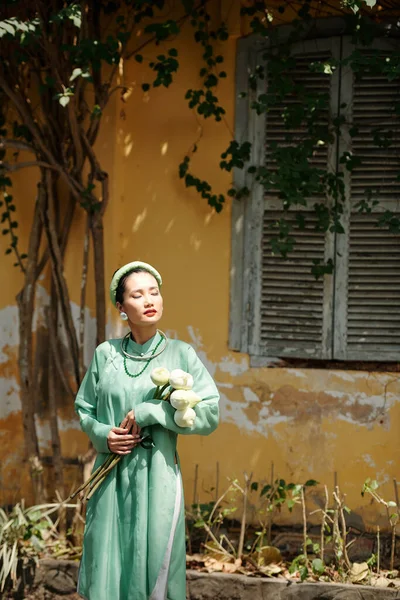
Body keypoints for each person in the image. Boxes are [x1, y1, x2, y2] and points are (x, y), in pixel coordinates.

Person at [75, 261, 219, 600]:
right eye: (137, 295)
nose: (149, 300)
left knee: (153, 561)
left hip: (158, 475)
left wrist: (153, 411)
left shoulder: (181, 355)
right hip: (109, 477)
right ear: (122, 308)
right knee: (107, 562)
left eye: (154, 292)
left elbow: (210, 413)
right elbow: (85, 409)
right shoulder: (105, 354)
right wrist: (103, 436)